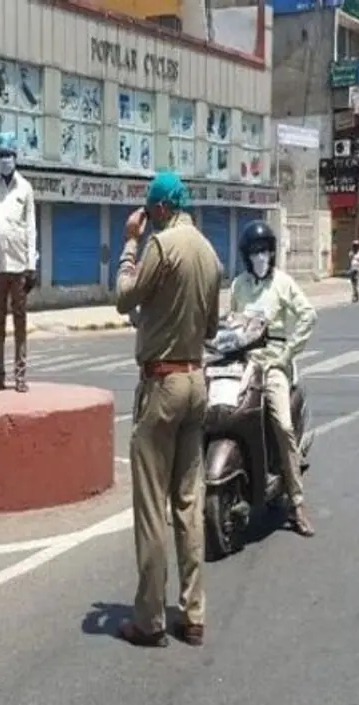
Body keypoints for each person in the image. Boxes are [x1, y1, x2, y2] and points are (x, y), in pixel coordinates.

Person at [114, 171, 222, 649]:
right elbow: (213, 327)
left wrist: (130, 245)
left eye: (148, 209)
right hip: (198, 380)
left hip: (162, 385)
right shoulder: (210, 251)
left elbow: (125, 297)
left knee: (152, 506)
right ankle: (193, 612)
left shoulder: (162, 244)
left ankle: (150, 619)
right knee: (188, 501)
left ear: (158, 208)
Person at [230, 219, 318, 536]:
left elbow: (308, 314)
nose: (260, 256)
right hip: (244, 362)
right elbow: (231, 324)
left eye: (264, 250)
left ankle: (296, 503)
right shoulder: (238, 286)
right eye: (254, 251)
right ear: (245, 255)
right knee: (214, 412)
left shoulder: (283, 283)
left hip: (274, 364)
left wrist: (288, 353)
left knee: (281, 424)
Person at [0, 131, 39, 393]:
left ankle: (20, 375)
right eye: (1, 155)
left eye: (9, 155)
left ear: (16, 157)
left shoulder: (25, 188)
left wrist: (32, 265)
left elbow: (32, 228)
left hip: (19, 266)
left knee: (20, 322)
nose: (5, 159)